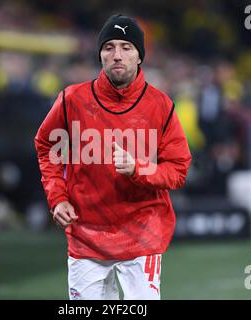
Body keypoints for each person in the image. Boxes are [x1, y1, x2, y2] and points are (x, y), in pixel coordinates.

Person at [34, 14, 192, 300]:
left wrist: (138, 168)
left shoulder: (160, 106)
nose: (117, 55)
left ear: (140, 56)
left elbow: (178, 170)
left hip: (143, 234)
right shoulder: (72, 101)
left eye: (126, 47)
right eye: (109, 47)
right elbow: (46, 146)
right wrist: (57, 197)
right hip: (86, 234)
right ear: (100, 55)